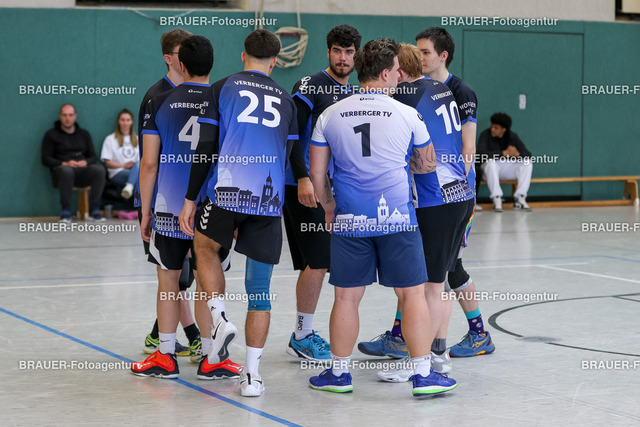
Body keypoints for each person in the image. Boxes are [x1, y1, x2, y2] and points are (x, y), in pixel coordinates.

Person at [307, 38, 456, 397]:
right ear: (387, 73)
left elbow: (317, 174)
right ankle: (423, 375)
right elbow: (427, 165)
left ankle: (339, 374)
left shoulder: (330, 115)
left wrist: (329, 208)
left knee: (346, 298)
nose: (400, 76)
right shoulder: (408, 114)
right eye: (397, 70)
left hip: (350, 219)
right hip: (398, 220)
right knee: (413, 295)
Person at [179, 29, 299, 397]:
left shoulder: (222, 88)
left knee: (204, 248)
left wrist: (189, 199)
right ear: (275, 62)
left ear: (243, 56)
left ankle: (218, 319)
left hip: (227, 192)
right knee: (259, 291)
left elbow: (206, 147)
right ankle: (252, 376)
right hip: (268, 201)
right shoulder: (287, 100)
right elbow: (290, 156)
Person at [131, 35, 242, 380]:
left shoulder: (159, 101)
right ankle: (211, 357)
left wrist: (145, 210)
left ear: (180, 63)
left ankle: (165, 355)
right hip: (213, 206)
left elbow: (149, 164)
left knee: (169, 279)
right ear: (213, 63)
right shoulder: (225, 100)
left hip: (168, 206)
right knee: (209, 280)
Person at [373, 43, 474, 383]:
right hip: (460, 193)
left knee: (428, 285)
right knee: (439, 282)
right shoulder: (439, 88)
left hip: (435, 199)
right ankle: (438, 355)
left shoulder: (406, 96)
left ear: (399, 72)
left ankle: (420, 362)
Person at [284, 24, 361, 362]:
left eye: (349, 52)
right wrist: (303, 179)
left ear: (356, 56)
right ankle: (302, 336)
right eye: (337, 51)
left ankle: (302, 333)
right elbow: (290, 134)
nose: (343, 58)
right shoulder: (310, 85)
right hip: (302, 186)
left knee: (315, 263)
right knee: (318, 261)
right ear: (328, 51)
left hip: (330, 190)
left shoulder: (354, 92)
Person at [136, 28, 203, 362]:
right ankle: (188, 339)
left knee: (185, 278)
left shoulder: (204, 94)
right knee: (175, 277)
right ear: (168, 58)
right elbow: (149, 162)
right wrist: (145, 208)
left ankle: (166, 338)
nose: (186, 55)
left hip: (197, 203)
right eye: (181, 51)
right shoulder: (156, 97)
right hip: (166, 202)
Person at [41, 103, 106, 222]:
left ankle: (95, 210)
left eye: (70, 115)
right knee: (66, 171)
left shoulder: (84, 134)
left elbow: (93, 157)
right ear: (60, 116)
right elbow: (46, 159)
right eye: (65, 115)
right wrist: (64, 163)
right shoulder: (51, 135)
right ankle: (65, 211)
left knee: (99, 170)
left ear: (75, 116)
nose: (68, 118)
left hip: (83, 171)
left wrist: (85, 162)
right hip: (62, 173)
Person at [478, 112, 533, 212]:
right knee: (491, 163)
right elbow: (480, 154)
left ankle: (520, 199)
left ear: (504, 129)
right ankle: (497, 198)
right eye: (492, 126)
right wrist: (503, 153)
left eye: (496, 128)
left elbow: (528, 154)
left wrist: (518, 154)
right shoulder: (485, 135)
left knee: (527, 162)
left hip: (505, 170)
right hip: (488, 171)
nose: (492, 129)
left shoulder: (512, 136)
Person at [100, 109, 139, 200]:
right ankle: (130, 187)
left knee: (139, 167)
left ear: (131, 122)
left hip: (135, 171)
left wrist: (134, 166)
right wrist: (123, 166)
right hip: (117, 173)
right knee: (141, 179)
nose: (125, 123)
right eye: (122, 120)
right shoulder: (110, 139)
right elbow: (107, 163)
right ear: (118, 122)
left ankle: (129, 188)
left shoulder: (138, 139)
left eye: (128, 120)